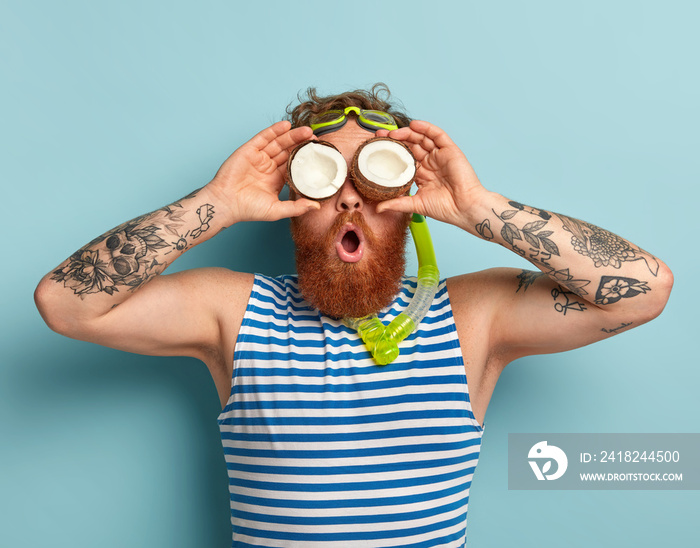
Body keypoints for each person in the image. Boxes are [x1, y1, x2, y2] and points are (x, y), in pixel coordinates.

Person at [34, 84, 673, 547]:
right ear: (290, 198)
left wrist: (480, 209)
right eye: (323, 173)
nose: (346, 196)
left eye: (373, 173)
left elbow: (645, 288)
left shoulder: (471, 317)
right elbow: (65, 304)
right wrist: (218, 204)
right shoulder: (234, 311)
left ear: (408, 199)